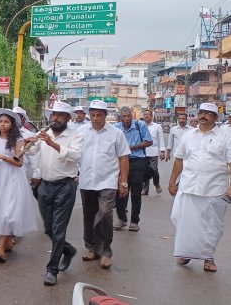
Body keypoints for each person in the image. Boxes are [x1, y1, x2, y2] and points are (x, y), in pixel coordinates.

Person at [25, 101, 83, 286]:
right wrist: (27, 144)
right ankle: (68, 250)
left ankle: (52, 270)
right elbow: (32, 151)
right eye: (53, 115)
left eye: (59, 115)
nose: (55, 118)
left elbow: (76, 156)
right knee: (49, 228)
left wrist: (53, 144)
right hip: (45, 186)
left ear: (67, 118)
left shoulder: (75, 135)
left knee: (58, 230)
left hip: (65, 186)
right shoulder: (44, 134)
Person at [168, 103, 231, 273]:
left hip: (214, 189)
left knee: (211, 227)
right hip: (189, 186)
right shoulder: (188, 135)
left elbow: (230, 162)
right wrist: (172, 181)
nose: (203, 115)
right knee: (181, 219)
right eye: (201, 112)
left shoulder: (226, 135)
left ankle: (208, 258)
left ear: (215, 118)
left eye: (208, 113)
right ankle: (187, 251)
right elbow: (179, 159)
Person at [77, 100, 131, 269]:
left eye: (99, 115)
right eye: (92, 115)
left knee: (106, 213)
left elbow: (123, 157)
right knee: (89, 215)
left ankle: (106, 250)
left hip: (108, 180)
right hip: (87, 180)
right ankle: (91, 247)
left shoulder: (116, 133)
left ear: (105, 116)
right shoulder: (81, 132)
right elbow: (73, 154)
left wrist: (123, 181)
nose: (95, 118)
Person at [0, 108, 39, 263]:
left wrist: (2, 157)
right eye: (0, 121)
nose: (2, 124)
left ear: (12, 124)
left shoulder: (18, 140)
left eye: (6, 122)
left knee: (7, 213)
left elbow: (19, 162)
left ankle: (1, 249)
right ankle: (7, 242)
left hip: (12, 179)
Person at [113, 106, 152, 232]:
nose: (126, 119)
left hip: (137, 161)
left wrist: (133, 147)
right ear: (120, 118)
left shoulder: (140, 125)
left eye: (128, 116)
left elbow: (149, 141)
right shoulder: (116, 128)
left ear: (132, 116)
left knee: (135, 193)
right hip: (121, 162)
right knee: (120, 191)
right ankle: (122, 218)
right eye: (123, 116)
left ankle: (134, 221)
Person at [13, 106, 41, 198]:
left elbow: (34, 157)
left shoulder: (29, 135)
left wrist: (36, 174)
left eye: (17, 117)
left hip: (21, 170)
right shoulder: (4, 132)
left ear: (23, 119)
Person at [141, 109, 165, 195]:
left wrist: (162, 151)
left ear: (152, 116)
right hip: (143, 152)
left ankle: (156, 184)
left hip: (154, 152)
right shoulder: (140, 125)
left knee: (154, 170)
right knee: (144, 171)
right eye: (145, 114)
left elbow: (161, 139)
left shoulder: (157, 126)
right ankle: (145, 189)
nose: (146, 116)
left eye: (148, 114)